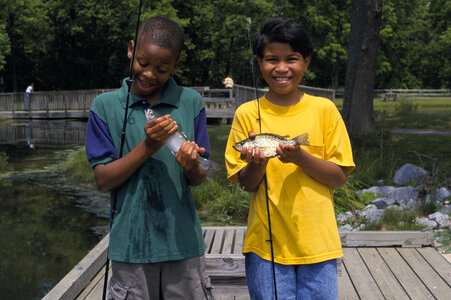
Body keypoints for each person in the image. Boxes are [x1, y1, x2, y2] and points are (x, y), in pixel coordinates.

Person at [225, 17, 355, 299]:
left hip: (318, 244)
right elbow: (247, 184)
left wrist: (300, 158)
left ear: (306, 62)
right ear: (260, 62)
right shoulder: (247, 113)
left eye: (292, 59)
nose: (281, 68)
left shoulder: (325, 110)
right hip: (265, 245)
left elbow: (339, 176)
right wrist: (256, 163)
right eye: (272, 59)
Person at [85, 16, 213, 299]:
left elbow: (198, 179)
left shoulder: (191, 102)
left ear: (176, 66)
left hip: (184, 243)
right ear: (131, 49)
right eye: (143, 63)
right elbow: (103, 180)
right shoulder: (104, 106)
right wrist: (148, 147)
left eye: (162, 69)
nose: (149, 74)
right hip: (130, 247)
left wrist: (193, 167)